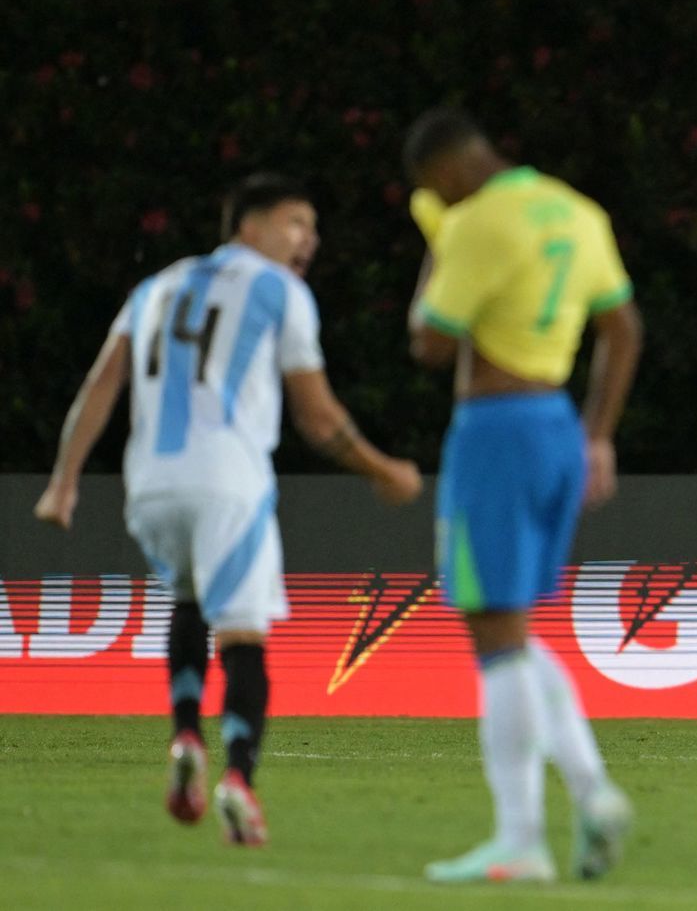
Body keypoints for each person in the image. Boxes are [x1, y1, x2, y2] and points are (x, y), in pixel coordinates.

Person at [33, 173, 423, 845]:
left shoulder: (154, 287)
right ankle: (238, 775)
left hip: (149, 486)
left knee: (187, 602)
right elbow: (317, 413)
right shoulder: (281, 292)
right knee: (244, 634)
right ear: (249, 227)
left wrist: (64, 479)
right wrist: (382, 468)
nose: (310, 238)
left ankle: (185, 732)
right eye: (296, 222)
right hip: (228, 484)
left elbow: (102, 383)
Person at [402, 107, 644, 883]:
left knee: (494, 635)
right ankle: (591, 792)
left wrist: (438, 246)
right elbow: (624, 328)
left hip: (495, 431)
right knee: (510, 626)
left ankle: (523, 836)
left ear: (444, 174)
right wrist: (598, 432)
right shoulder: (579, 211)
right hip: (558, 427)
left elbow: (430, 341)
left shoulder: (476, 224)